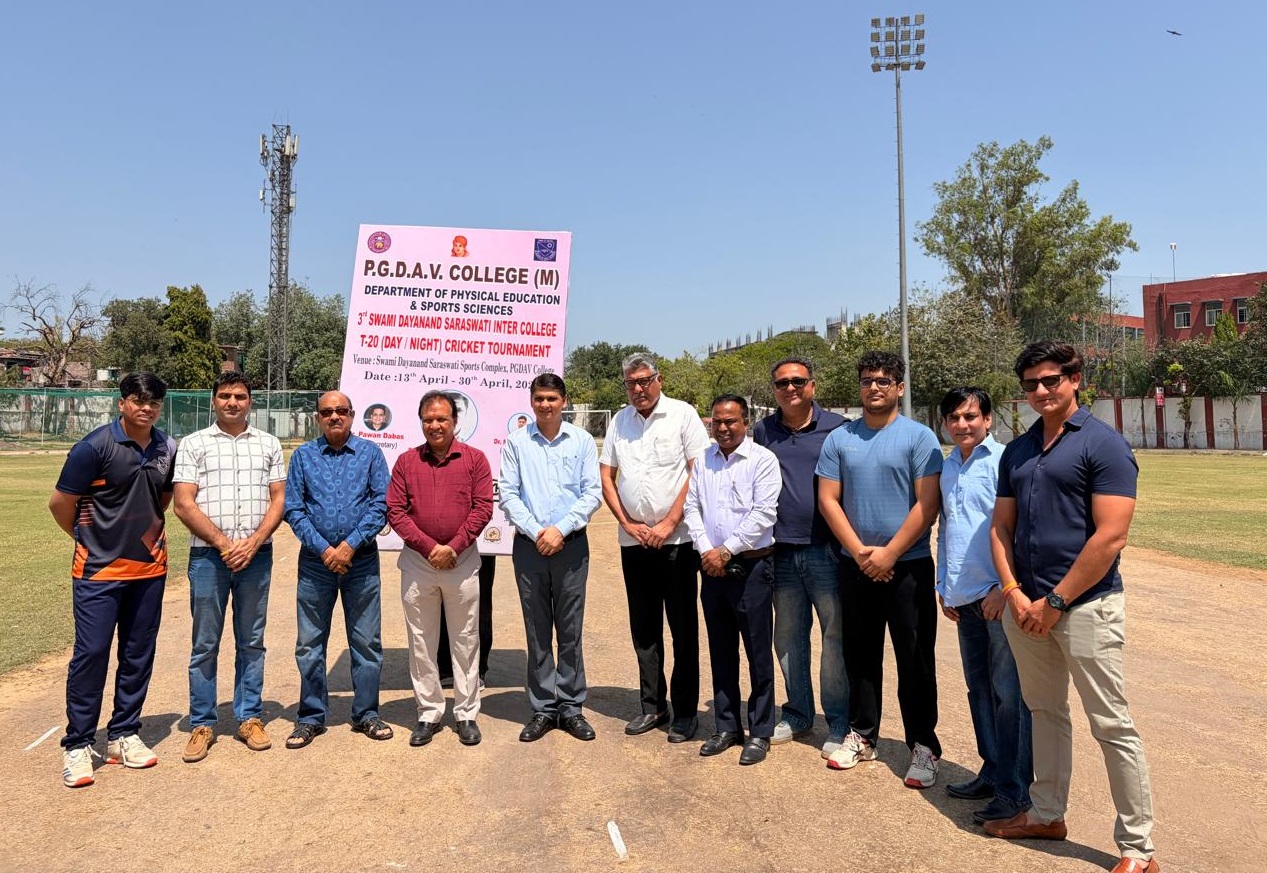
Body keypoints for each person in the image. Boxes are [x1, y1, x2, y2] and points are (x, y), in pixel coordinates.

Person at [987, 341, 1159, 873]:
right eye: (1031, 383)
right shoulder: (1018, 450)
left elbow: (1111, 536)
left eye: (1051, 380)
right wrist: (1014, 593)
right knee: (1045, 713)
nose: (1041, 390)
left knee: (1111, 724)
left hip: (1086, 607)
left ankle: (1138, 848)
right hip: (1026, 607)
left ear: (1075, 378)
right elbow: (1001, 527)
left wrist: (1056, 601)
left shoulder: (1104, 444)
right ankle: (1046, 813)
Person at [817, 350, 943, 788]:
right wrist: (860, 554)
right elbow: (828, 499)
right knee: (860, 655)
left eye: (884, 380)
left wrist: (889, 554)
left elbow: (928, 503)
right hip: (855, 567)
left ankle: (923, 746)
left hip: (908, 567)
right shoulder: (840, 438)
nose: (874, 387)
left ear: (899, 388)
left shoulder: (919, 438)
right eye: (867, 380)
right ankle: (862, 734)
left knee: (915, 659)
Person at [49, 372, 176, 787]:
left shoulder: (167, 447)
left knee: (138, 654)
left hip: (149, 569)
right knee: (92, 653)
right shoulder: (93, 447)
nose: (146, 408)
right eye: (138, 400)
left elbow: (161, 500)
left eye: (153, 402)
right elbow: (60, 503)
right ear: (122, 403)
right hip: (98, 571)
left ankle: (123, 734)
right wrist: (89, 540)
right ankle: (78, 743)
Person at [172, 372, 286, 763]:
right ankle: (202, 723)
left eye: (239, 396)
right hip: (209, 557)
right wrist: (224, 544)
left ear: (250, 401)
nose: (232, 402)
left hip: (256, 556)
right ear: (214, 401)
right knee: (205, 643)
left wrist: (253, 542)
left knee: (251, 640)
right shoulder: (194, 444)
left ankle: (249, 717)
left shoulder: (268, 443)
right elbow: (183, 503)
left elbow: (279, 500)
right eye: (224, 396)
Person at [600, 352, 710, 742]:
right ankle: (653, 706)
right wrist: (628, 523)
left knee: (683, 629)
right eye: (631, 383)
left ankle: (685, 711)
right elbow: (607, 476)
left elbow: (698, 473)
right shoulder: (620, 421)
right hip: (634, 543)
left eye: (644, 380)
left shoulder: (683, 415)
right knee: (644, 629)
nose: (638, 389)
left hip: (677, 542)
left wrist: (667, 523)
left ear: (658, 379)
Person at [934, 387, 1033, 824]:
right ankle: (992, 771)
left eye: (971, 416)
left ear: (988, 419)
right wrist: (943, 583)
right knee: (979, 691)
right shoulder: (947, 466)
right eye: (954, 418)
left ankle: (1016, 791)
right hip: (963, 598)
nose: (962, 424)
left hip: (997, 597)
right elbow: (947, 528)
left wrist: (1004, 587)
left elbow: (1021, 530)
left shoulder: (1004, 462)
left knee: (1010, 696)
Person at [751, 356, 848, 758]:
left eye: (798, 381)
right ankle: (798, 713)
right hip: (781, 550)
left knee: (835, 638)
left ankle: (839, 720)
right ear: (774, 389)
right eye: (782, 383)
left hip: (828, 550)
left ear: (812, 385)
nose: (790, 388)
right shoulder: (763, 431)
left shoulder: (839, 428)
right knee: (789, 637)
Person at [283, 391, 392, 748]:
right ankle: (311, 716)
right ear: (317, 417)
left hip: (361, 562)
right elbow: (294, 508)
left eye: (341, 411)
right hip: (316, 564)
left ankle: (366, 714)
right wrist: (325, 549)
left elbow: (381, 504)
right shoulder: (303, 456)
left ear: (352, 415)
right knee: (310, 644)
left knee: (366, 642)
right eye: (327, 411)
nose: (334, 416)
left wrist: (349, 546)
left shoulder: (370, 454)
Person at [499, 373, 603, 742]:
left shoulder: (581, 440)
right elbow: (508, 493)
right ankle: (543, 707)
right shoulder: (517, 442)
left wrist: (560, 529)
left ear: (564, 401)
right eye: (540, 398)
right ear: (531, 401)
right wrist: (537, 531)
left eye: (552, 398)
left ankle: (571, 708)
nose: (545, 405)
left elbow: (592, 493)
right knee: (537, 629)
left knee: (570, 629)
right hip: (530, 547)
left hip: (571, 546)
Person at [387, 391, 493, 747]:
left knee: (466, 640)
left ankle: (466, 713)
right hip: (419, 563)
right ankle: (429, 711)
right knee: (421, 641)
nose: (435, 425)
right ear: (421, 422)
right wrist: (430, 548)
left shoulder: (475, 460)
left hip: (461, 562)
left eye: (442, 419)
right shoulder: (406, 462)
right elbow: (396, 510)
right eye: (428, 419)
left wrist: (453, 547)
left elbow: (483, 507)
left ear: (455, 421)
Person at [685, 395, 782, 765]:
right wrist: (707, 551)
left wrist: (726, 551)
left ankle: (760, 731)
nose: (723, 428)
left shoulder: (762, 460)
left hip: (751, 568)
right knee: (721, 649)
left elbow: (763, 514)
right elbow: (692, 508)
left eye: (731, 421)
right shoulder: (704, 460)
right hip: (711, 569)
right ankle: (726, 726)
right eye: (717, 421)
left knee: (758, 653)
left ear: (746, 422)